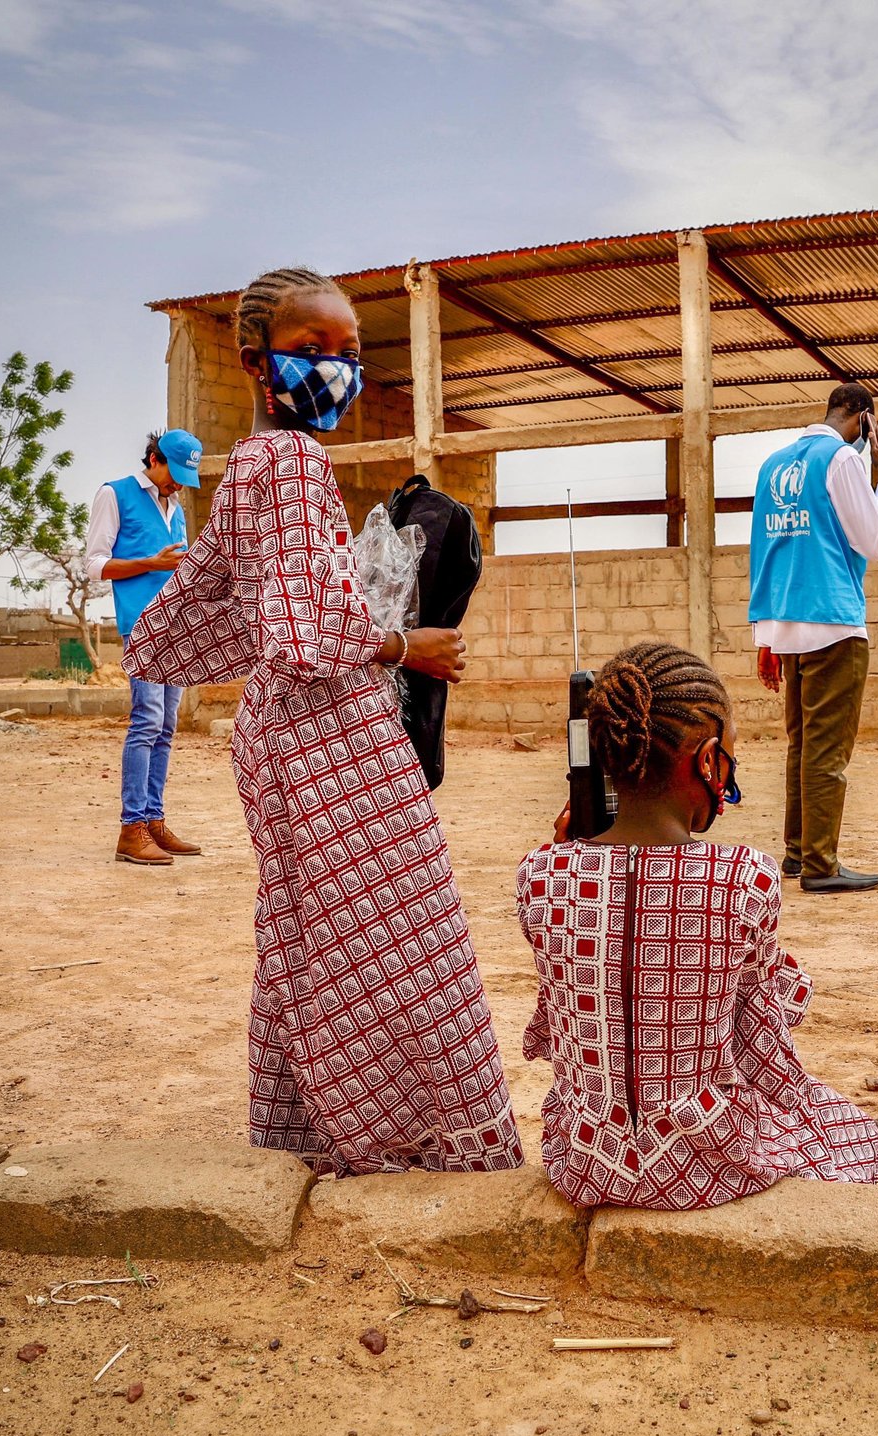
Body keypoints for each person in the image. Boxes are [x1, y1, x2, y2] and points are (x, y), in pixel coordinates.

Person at [123, 266, 523, 1176]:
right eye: (313, 352)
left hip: (277, 732)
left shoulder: (246, 469)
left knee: (312, 934)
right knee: (405, 940)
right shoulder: (296, 464)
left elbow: (176, 626)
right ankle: (417, 1142)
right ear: (255, 358)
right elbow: (306, 632)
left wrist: (307, 631)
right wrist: (404, 644)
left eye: (349, 354)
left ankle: (307, 1138)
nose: (335, 371)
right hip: (330, 731)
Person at [516, 641, 878, 1211]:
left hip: (581, 1163)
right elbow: (765, 1038)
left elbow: (566, 1018)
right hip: (707, 1165)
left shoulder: (540, 873)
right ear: (707, 762)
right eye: (729, 757)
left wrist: (567, 853)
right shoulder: (743, 876)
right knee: (854, 1134)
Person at [749, 382, 878, 893]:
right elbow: (873, 540)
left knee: (803, 745)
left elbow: (764, 551)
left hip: (786, 621)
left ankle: (796, 854)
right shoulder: (842, 460)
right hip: (834, 620)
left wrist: (764, 637)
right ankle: (820, 865)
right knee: (827, 751)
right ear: (863, 418)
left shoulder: (774, 465)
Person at [85, 429, 205, 865]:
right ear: (153, 458)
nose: (177, 485)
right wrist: (151, 563)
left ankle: (153, 821)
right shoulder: (114, 494)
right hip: (141, 625)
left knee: (167, 725)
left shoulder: (176, 510)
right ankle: (131, 829)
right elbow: (95, 565)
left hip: (175, 629)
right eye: (174, 474)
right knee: (147, 720)